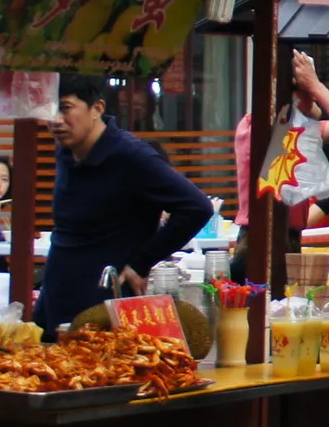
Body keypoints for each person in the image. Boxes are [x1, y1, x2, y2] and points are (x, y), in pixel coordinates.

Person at [36, 75, 212, 331]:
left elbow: (197, 207)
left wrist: (140, 264)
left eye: (65, 108)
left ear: (97, 108)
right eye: (49, 111)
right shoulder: (66, 151)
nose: (55, 120)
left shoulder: (131, 155)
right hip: (55, 300)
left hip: (104, 310)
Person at [231, 49, 329, 231]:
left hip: (285, 232)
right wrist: (314, 86)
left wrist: (313, 87)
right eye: (308, 91)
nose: (315, 98)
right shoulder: (258, 125)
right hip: (260, 235)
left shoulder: (293, 127)